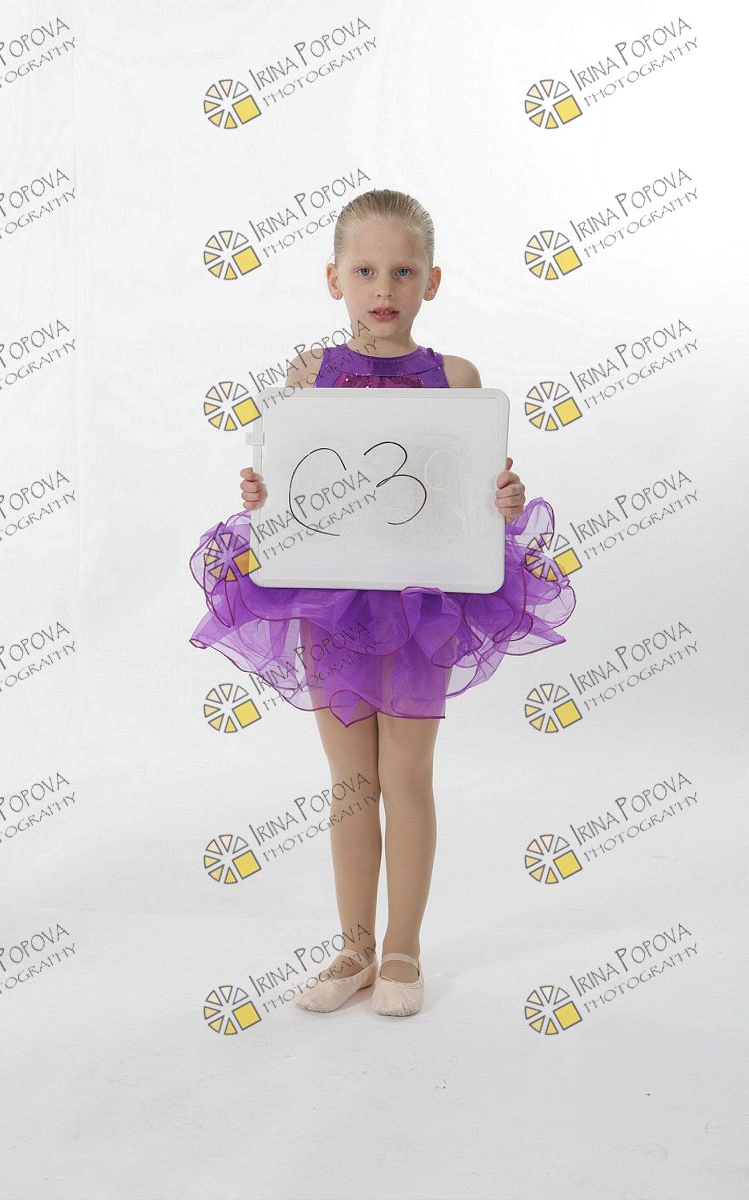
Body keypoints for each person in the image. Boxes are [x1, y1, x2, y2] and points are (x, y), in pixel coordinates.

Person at [189, 188, 577, 1018]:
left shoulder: (456, 378)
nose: (384, 287)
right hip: (330, 597)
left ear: (431, 281)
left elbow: (468, 493)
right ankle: (354, 947)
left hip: (420, 602)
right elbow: (297, 481)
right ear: (334, 279)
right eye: (364, 270)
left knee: (405, 774)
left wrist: (503, 501)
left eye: (403, 271)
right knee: (351, 782)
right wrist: (262, 493)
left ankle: (403, 948)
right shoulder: (309, 377)